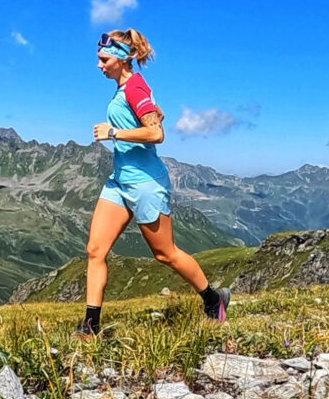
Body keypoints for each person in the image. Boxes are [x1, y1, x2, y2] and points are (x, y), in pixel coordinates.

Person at [78, 29, 230, 335]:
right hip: (120, 181)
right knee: (96, 250)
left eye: (103, 59)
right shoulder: (128, 88)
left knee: (165, 253)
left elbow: (156, 134)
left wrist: (113, 133)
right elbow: (155, 117)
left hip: (146, 183)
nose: (98, 65)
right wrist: (154, 114)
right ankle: (90, 326)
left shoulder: (134, 87)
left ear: (120, 59)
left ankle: (214, 300)